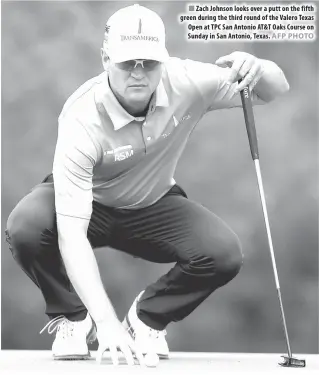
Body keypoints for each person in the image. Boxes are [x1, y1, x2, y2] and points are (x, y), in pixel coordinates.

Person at [5, 3, 289, 366]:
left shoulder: (188, 81)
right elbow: (72, 235)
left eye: (149, 62)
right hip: (85, 206)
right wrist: (106, 323)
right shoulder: (80, 118)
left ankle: (146, 320)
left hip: (152, 204)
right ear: (106, 58)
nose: (138, 73)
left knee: (222, 253)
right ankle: (74, 320)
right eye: (127, 62)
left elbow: (273, 90)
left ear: (164, 60)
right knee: (26, 226)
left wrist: (260, 68)